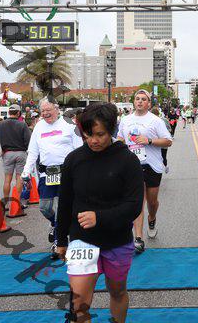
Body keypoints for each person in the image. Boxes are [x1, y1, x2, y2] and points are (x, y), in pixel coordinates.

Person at [57, 103, 144, 323]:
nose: (93, 140)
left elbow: (134, 205)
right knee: (78, 303)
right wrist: (61, 240)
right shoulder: (74, 159)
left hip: (117, 240)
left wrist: (100, 217)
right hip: (82, 240)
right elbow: (65, 202)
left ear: (111, 130)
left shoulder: (128, 160)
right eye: (88, 135)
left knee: (118, 292)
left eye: (100, 134)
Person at [21, 98, 83, 259]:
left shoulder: (70, 124)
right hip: (46, 174)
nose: (45, 114)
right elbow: (33, 152)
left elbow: (80, 149)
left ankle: (58, 242)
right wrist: (26, 171)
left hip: (66, 173)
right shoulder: (39, 127)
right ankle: (56, 225)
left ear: (57, 109)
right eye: (43, 111)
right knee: (44, 207)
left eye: (48, 110)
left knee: (63, 208)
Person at [117, 90, 172, 253]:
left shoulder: (156, 121)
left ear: (149, 103)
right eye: (137, 99)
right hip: (132, 165)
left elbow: (168, 141)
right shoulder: (125, 120)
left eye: (143, 99)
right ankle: (138, 238)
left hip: (152, 165)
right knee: (137, 201)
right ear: (134, 102)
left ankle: (152, 218)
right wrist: (120, 146)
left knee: (152, 202)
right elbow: (120, 138)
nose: (140, 101)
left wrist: (149, 140)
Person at [0, 104, 31, 208]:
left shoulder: (0, 124)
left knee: (7, 179)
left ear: (9, 112)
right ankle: (17, 203)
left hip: (7, 153)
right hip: (21, 153)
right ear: (18, 113)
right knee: (19, 178)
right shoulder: (22, 124)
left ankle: (6, 203)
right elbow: (28, 141)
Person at [151, 107, 171, 173]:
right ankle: (161, 167)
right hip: (155, 143)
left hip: (163, 142)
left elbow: (169, 129)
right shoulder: (149, 122)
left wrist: (164, 133)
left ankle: (165, 166)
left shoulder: (164, 120)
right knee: (159, 156)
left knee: (162, 156)